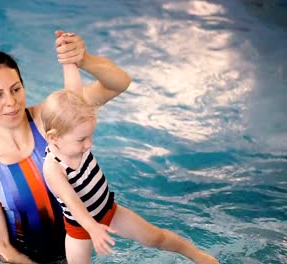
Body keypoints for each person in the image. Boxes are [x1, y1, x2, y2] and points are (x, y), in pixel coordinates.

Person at [0, 30, 132, 263]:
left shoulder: (52, 118)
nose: (11, 102)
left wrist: (84, 60)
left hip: (83, 249)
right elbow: (1, 246)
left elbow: (119, 84)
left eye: (15, 89)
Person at [40, 63, 220, 264]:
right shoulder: (53, 168)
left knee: (155, 237)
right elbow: (72, 202)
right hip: (81, 230)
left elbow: (74, 91)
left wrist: (69, 62)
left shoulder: (73, 127)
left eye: (90, 136)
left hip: (110, 210)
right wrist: (92, 228)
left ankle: (199, 257)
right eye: (82, 140)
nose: (89, 144)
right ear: (53, 137)